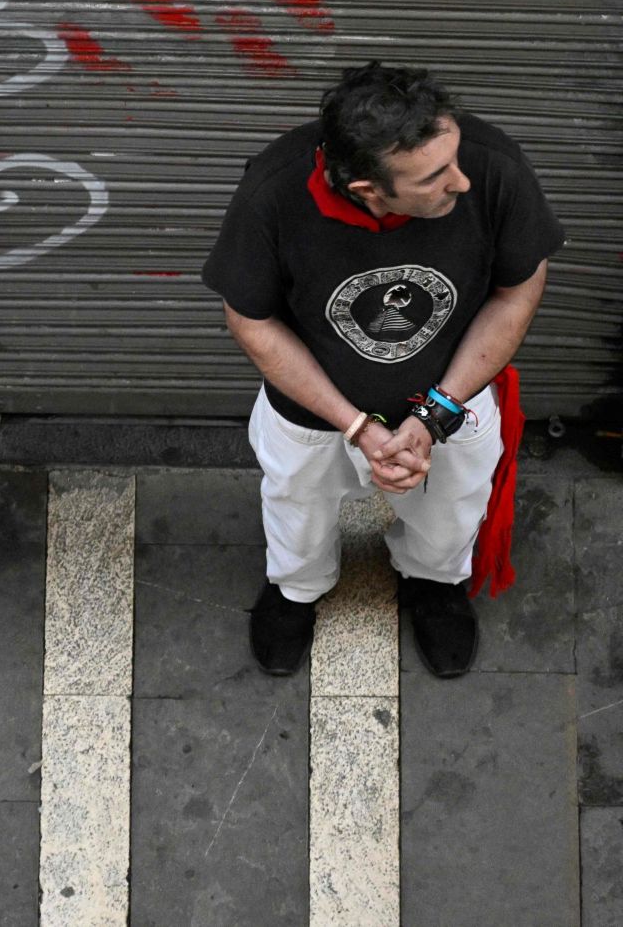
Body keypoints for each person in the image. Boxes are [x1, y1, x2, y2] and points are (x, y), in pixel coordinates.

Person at [203, 62, 563, 678]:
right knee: (297, 503)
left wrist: (437, 411)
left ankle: (433, 583)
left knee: (453, 506)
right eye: (433, 178)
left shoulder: (491, 165)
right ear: (369, 188)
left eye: (454, 157)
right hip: (313, 408)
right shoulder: (274, 194)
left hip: (458, 395)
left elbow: (517, 290)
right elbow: (252, 322)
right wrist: (357, 428)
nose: (463, 183)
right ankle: (297, 588)